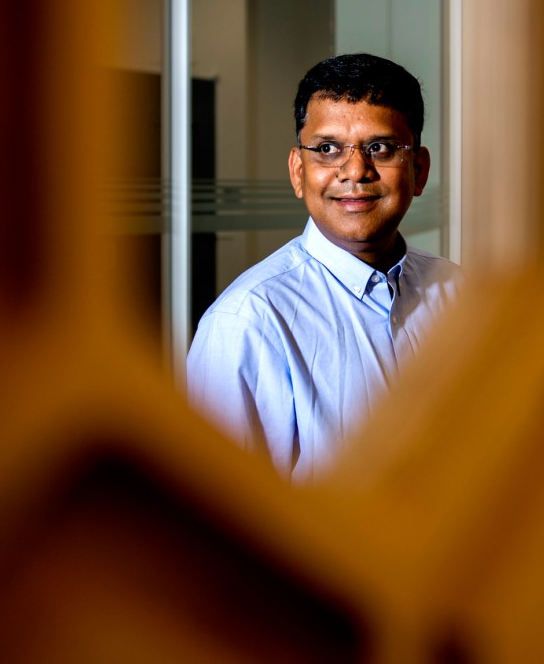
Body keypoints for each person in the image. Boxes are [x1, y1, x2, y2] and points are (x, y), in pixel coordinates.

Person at [186, 53, 461, 482]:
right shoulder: (248, 322)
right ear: (299, 171)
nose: (354, 171)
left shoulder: (461, 295)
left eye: (380, 148)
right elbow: (218, 520)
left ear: (419, 170)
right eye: (328, 149)